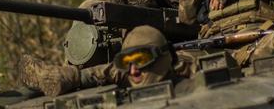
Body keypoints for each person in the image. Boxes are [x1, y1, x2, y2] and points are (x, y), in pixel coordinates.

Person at [18, 26, 193, 96]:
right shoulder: (131, 74)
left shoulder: (191, 75)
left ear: (162, 56)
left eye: (141, 60)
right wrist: (68, 76)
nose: (133, 71)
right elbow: (111, 71)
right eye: (126, 62)